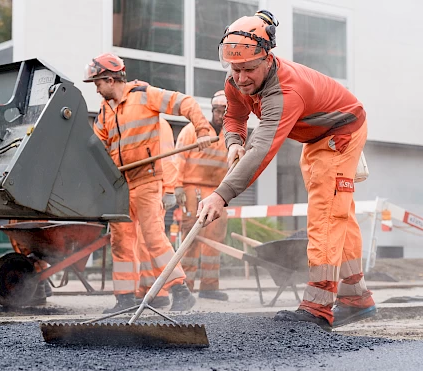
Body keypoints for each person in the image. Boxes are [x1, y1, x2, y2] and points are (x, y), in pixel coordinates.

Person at [197, 10, 376, 331]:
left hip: (341, 132)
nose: (240, 78)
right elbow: (235, 116)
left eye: (249, 69)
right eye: (234, 69)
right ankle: (355, 296)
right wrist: (234, 141)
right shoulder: (234, 80)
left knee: (325, 213)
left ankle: (318, 305)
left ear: (268, 58)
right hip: (315, 138)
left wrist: (221, 195)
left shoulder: (285, 92)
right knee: (339, 212)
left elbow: (263, 150)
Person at [84, 52, 215, 313]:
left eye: (98, 83)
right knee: (120, 242)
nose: (97, 90)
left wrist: (202, 130)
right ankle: (125, 299)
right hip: (120, 186)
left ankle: (180, 290)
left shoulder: (144, 95)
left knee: (154, 238)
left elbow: (185, 103)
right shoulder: (105, 111)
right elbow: (96, 147)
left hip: (146, 181)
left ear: (110, 79)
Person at [174, 90, 229, 301]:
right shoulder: (192, 131)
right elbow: (178, 159)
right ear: (212, 110)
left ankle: (209, 287)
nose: (222, 115)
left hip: (217, 192)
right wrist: (177, 186)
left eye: (226, 111)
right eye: (218, 111)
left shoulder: (230, 136)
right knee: (191, 238)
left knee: (214, 240)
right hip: (192, 190)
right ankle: (185, 286)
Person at [136, 118, 177, 308]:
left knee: (150, 240)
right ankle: (148, 288)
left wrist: (169, 189)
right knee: (140, 242)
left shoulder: (158, 124)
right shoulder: (129, 118)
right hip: (137, 188)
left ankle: (160, 291)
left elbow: (168, 158)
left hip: (153, 188)